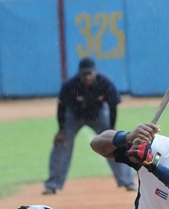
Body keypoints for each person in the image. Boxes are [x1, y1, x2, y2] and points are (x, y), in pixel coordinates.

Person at [43, 57, 136, 195]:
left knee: (115, 142)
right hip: (74, 116)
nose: (87, 77)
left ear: (95, 72)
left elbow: (112, 106)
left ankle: (128, 181)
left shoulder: (105, 83)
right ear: (79, 73)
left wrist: (112, 127)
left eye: (89, 73)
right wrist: (61, 130)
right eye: (84, 74)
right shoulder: (70, 85)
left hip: (98, 114)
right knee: (62, 144)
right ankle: (52, 184)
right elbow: (61, 107)